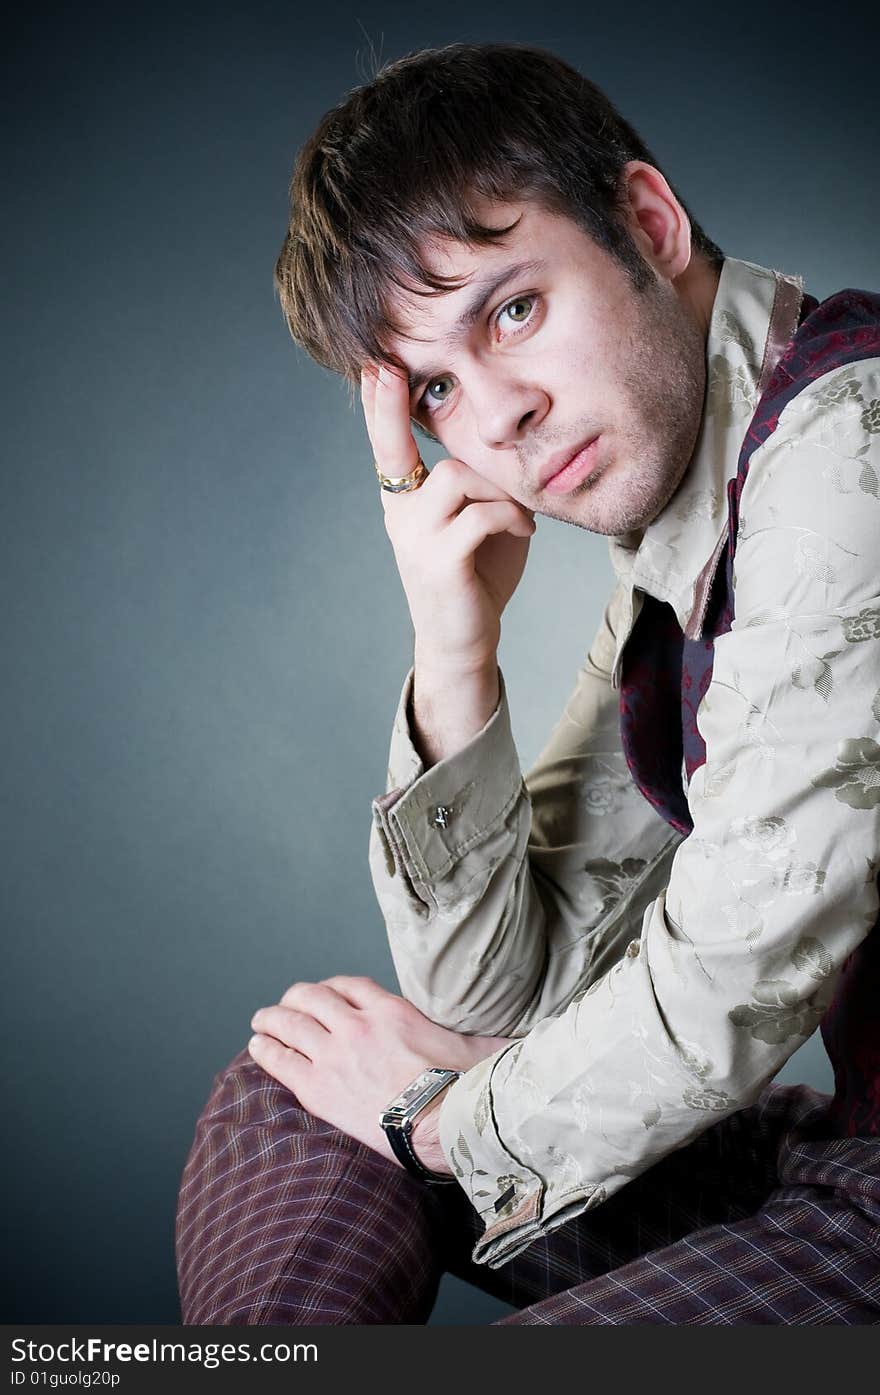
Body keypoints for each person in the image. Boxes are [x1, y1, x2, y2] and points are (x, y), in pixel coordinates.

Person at [175, 42, 880, 1324]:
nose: (493, 417)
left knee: (395, 1104)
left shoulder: (844, 467)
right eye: (434, 385)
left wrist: (429, 1122)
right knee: (297, 1084)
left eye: (512, 309)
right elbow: (507, 992)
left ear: (648, 226)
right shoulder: (688, 519)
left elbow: (732, 979)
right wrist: (453, 650)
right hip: (845, 1160)